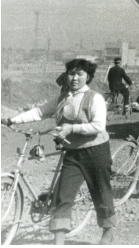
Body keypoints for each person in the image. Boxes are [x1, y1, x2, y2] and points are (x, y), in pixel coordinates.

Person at [2, 59, 116, 245]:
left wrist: (71, 129)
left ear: (88, 77)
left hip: (96, 151)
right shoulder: (63, 97)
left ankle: (108, 230)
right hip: (73, 153)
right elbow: (39, 112)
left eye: (80, 74)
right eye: (71, 73)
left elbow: (99, 125)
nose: (75, 78)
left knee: (101, 192)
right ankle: (59, 242)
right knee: (63, 196)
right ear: (66, 75)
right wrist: (13, 120)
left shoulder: (95, 98)